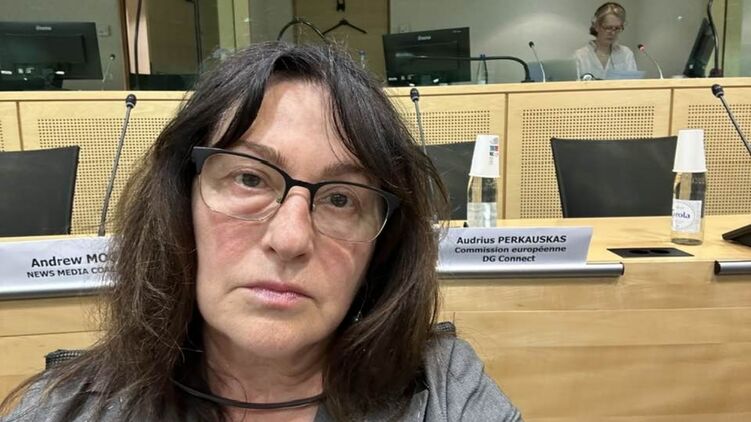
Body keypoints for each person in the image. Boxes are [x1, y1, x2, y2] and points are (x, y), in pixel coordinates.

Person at [1, 43, 522, 421]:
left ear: (383, 246)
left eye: (341, 199)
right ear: (180, 204)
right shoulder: (65, 409)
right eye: (249, 179)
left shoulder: (445, 394)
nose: (290, 239)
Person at [574, 2, 638, 80]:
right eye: (608, 28)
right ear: (596, 26)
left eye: (617, 28)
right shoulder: (580, 56)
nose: (613, 33)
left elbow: (633, 84)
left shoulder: (626, 54)